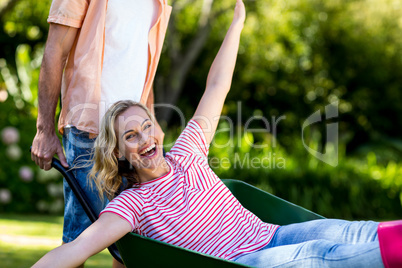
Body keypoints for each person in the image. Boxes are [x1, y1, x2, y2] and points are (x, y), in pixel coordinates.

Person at [33, 1, 402, 267]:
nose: (146, 139)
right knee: (324, 258)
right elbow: (75, 249)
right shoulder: (132, 205)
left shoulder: (187, 154)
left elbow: (217, 86)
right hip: (245, 261)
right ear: (118, 154)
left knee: (349, 233)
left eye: (147, 126)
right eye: (131, 136)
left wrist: (238, 21)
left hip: (271, 236)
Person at [31, 0, 171, 266]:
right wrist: (44, 128)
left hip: (136, 137)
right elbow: (55, 49)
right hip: (89, 130)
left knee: (136, 240)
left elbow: (142, 64)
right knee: (79, 241)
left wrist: (151, 122)